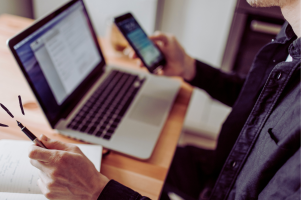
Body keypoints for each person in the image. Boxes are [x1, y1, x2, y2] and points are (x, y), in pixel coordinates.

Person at [28, 0, 300, 199]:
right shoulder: (291, 31)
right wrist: (191, 69)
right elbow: (266, 100)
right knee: (143, 159)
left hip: (224, 189)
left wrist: (97, 192)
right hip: (223, 165)